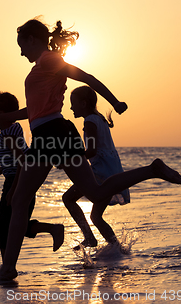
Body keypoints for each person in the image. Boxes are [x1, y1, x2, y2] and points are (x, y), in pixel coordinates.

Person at [0, 18, 181, 282]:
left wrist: (115, 101)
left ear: (32, 39)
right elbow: (33, 111)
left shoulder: (48, 60)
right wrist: (4, 115)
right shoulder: (45, 65)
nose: (21, 53)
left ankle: (8, 269)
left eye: (22, 45)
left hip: (50, 136)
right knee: (95, 192)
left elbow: (86, 77)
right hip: (56, 132)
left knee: (18, 201)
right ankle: (152, 169)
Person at [0, 92, 64, 270]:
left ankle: (7, 267)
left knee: (4, 226)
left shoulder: (7, 136)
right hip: (20, 178)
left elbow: (22, 161)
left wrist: (13, 189)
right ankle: (7, 265)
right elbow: (24, 154)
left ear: (2, 113)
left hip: (17, 181)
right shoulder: (12, 130)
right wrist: (3, 168)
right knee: (14, 224)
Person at [63, 86, 130, 250]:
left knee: (68, 199)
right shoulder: (98, 119)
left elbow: (91, 150)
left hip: (101, 173)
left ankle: (91, 239)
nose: (71, 107)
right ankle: (117, 248)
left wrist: (70, 159)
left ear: (84, 103)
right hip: (110, 170)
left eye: (73, 103)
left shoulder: (90, 121)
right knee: (96, 216)